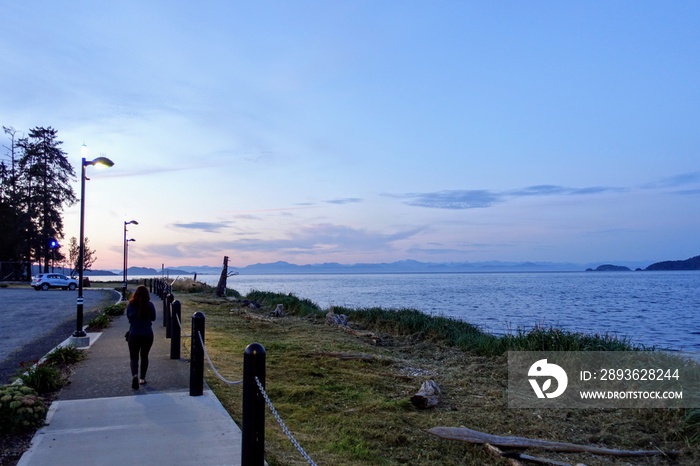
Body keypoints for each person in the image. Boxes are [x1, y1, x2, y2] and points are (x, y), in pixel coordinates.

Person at [126, 285, 157, 389]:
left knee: (133, 357)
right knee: (144, 356)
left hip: (134, 333)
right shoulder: (150, 305)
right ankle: (142, 379)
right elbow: (153, 318)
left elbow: (129, 318)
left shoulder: (131, 304)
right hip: (147, 334)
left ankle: (134, 375)